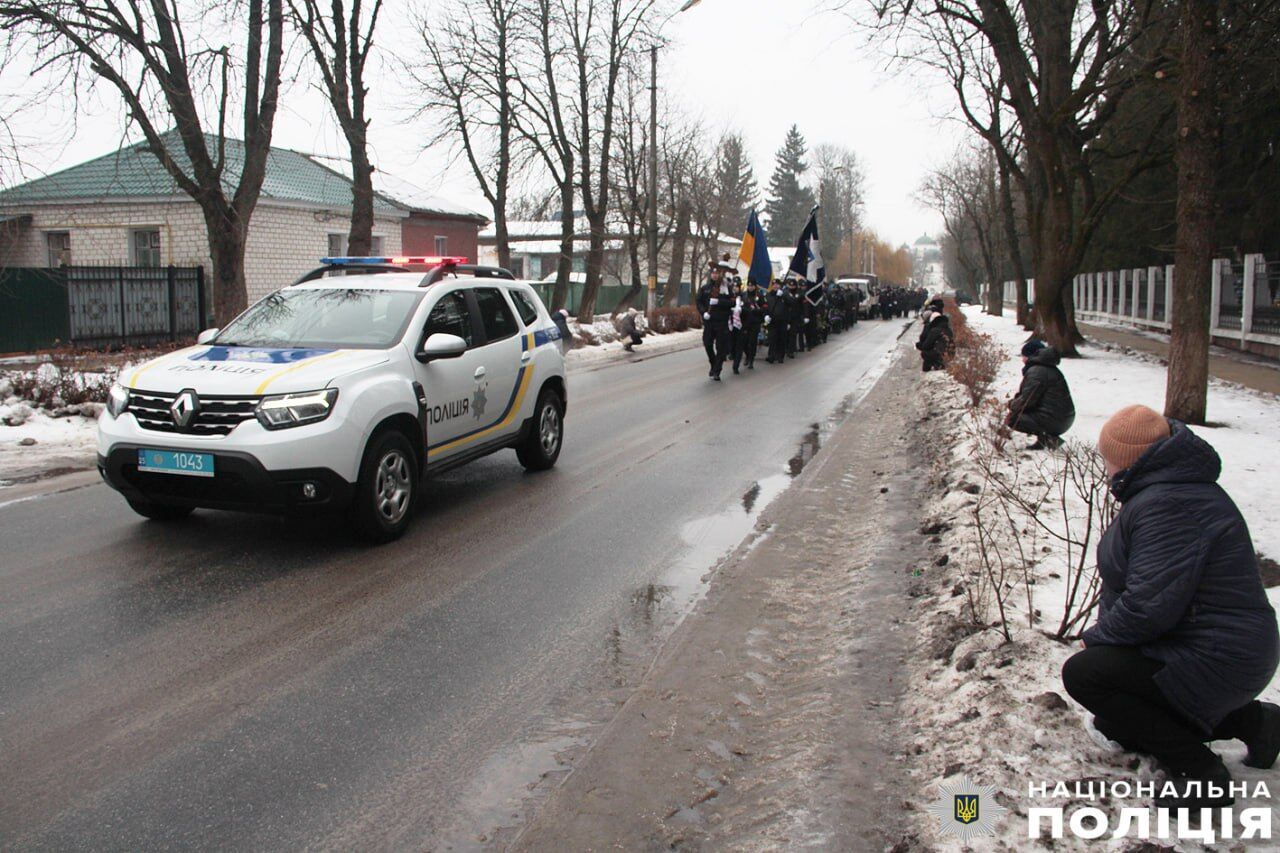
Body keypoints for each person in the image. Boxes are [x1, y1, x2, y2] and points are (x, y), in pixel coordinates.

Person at [1062, 405, 1280, 810]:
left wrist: (1097, 640)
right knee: (1117, 721)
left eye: (1106, 456)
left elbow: (1149, 607)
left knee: (1086, 676)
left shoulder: (1168, 504)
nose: (1104, 464)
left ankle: (1201, 774)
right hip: (1208, 643)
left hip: (1220, 654)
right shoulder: (1165, 489)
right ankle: (1255, 722)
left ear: (1126, 459)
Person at [1005, 339, 1075, 450]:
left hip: (1055, 419)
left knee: (1013, 419)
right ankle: (1044, 439)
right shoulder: (1045, 368)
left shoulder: (1037, 371)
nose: (1022, 359)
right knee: (1019, 411)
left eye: (1023, 355)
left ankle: (1049, 438)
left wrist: (1011, 405)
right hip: (1063, 417)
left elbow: (1027, 400)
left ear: (1029, 356)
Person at [696, 261, 736, 380]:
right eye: (713, 273)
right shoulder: (705, 288)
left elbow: (732, 302)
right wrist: (703, 313)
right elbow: (699, 302)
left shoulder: (726, 288)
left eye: (717, 273)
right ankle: (713, 363)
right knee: (707, 343)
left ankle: (717, 370)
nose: (714, 275)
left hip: (721, 321)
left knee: (720, 347)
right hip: (709, 321)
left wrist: (719, 302)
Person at [735, 280, 766, 371]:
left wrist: (755, 310)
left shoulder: (759, 296)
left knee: (752, 342)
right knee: (744, 342)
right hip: (745, 322)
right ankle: (747, 356)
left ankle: (751, 360)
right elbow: (738, 306)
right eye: (749, 286)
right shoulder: (743, 295)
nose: (750, 287)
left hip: (755, 322)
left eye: (752, 286)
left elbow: (764, 308)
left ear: (755, 286)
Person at [915, 307, 952, 372]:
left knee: (925, 353)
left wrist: (918, 345)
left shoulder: (934, 330)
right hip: (950, 353)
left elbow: (926, 345)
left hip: (939, 354)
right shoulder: (948, 329)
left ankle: (936, 365)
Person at [765, 280, 788, 364]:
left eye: (777, 285)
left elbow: (791, 303)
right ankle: (771, 356)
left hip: (782, 320)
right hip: (772, 320)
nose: (775, 286)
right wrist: (766, 315)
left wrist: (783, 296)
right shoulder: (768, 295)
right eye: (774, 285)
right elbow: (766, 306)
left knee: (781, 338)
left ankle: (780, 356)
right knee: (772, 338)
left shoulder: (784, 294)